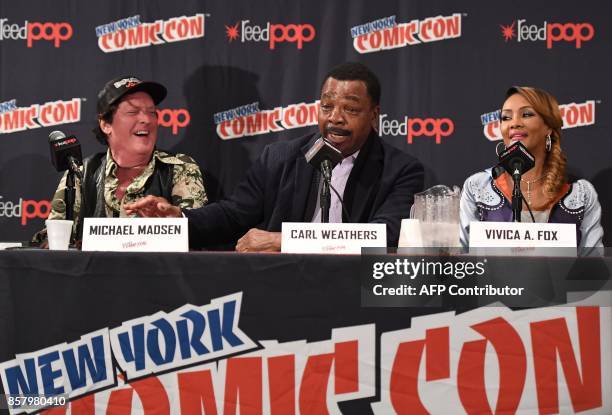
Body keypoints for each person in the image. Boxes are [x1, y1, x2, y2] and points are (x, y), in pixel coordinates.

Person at [125, 62, 424, 251]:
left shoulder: (400, 170)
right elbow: (233, 215)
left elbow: (383, 235)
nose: (336, 118)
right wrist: (179, 218)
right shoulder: (281, 157)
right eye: (327, 106)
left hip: (354, 290)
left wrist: (285, 241)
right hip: (282, 283)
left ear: (374, 116)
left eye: (351, 109)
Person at [32, 76, 207, 245]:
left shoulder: (179, 168)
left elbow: (197, 234)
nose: (146, 119)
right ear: (106, 124)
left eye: (152, 112)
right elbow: (54, 240)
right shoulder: (81, 173)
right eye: (132, 112)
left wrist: (170, 218)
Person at [459, 86, 603, 255]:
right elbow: (461, 262)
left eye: (526, 114)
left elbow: (594, 270)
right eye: (506, 117)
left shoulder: (581, 194)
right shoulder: (477, 187)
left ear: (548, 126)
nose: (514, 123)